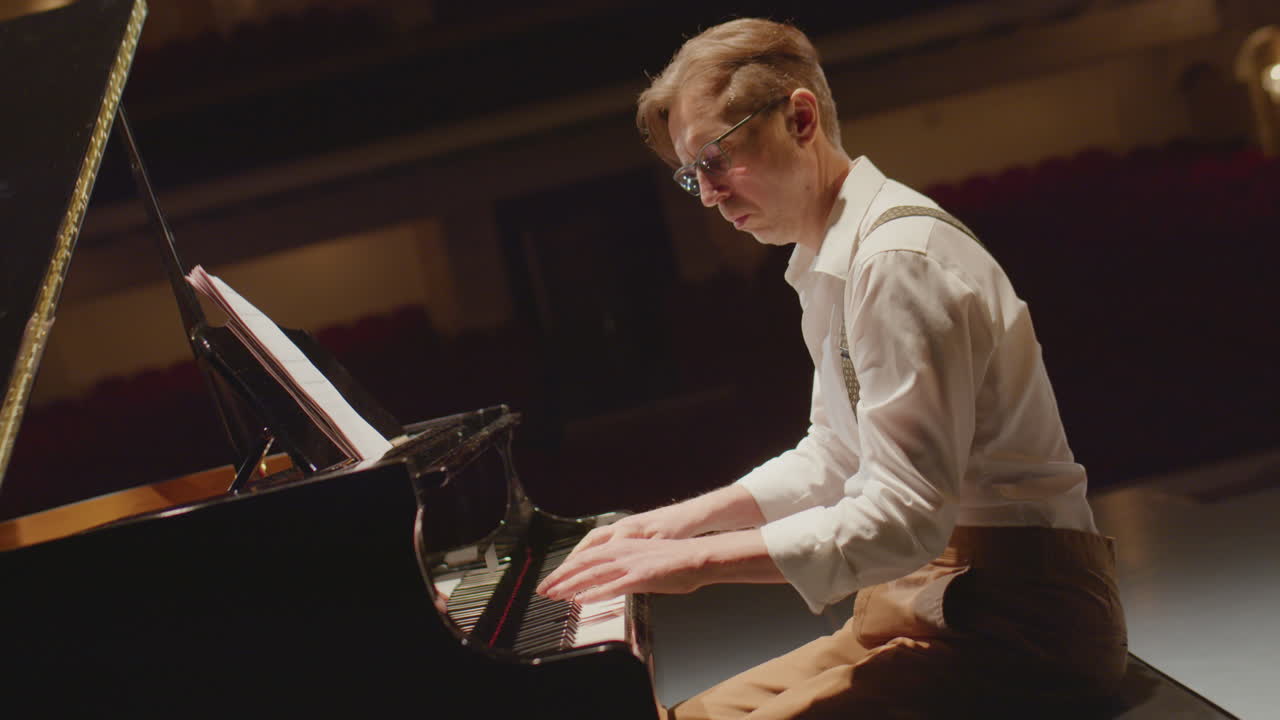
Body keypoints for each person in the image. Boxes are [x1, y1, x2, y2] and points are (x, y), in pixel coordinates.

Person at [537, 17, 1127, 719]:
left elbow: (905, 518)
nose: (710, 194)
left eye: (715, 160)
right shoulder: (831, 259)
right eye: (691, 176)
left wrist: (695, 565)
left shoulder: (896, 261)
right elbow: (839, 453)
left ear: (800, 118)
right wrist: (680, 523)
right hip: (935, 599)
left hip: (1020, 622)